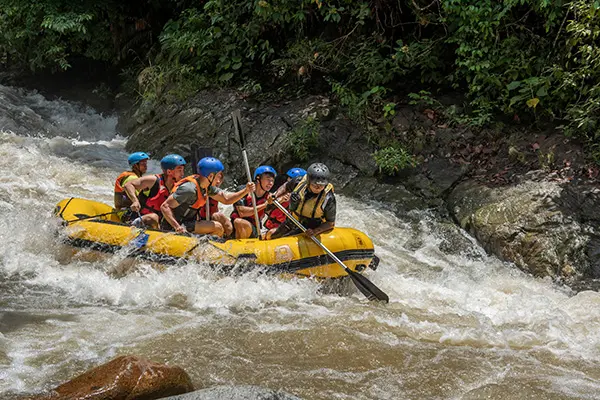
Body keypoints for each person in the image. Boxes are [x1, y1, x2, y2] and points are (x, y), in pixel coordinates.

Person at [160, 157, 255, 237]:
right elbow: (165, 206)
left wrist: (245, 190)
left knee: (219, 226)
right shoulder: (189, 189)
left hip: (188, 223)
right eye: (218, 176)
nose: (219, 181)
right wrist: (177, 227)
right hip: (174, 226)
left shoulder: (206, 187)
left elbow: (226, 199)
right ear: (210, 176)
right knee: (217, 227)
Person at [267, 163, 336, 240]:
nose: (318, 187)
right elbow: (285, 186)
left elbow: (330, 223)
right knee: (274, 237)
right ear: (309, 181)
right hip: (292, 220)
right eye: (315, 184)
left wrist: (315, 231)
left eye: (321, 185)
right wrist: (275, 195)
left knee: (284, 240)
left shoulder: (328, 198)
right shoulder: (298, 181)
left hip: (311, 226)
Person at [123, 154, 187, 228]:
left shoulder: (179, 187)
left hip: (158, 225)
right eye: (179, 170)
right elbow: (128, 185)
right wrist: (135, 201)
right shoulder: (153, 180)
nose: (182, 174)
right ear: (169, 172)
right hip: (138, 219)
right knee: (153, 217)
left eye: (183, 170)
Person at [230, 165, 277, 239]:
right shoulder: (243, 190)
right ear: (258, 179)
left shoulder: (269, 197)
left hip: (253, 229)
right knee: (221, 218)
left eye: (272, 181)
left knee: (239, 222)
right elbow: (242, 212)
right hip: (235, 226)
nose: (271, 183)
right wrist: (265, 205)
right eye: (268, 179)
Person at [264, 167, 307, 232]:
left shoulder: (303, 198)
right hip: (270, 226)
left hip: (286, 229)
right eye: (289, 178)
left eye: (292, 179)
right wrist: (281, 201)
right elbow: (267, 210)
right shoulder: (278, 193)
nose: (289, 181)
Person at [197, 171, 234, 237]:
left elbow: (227, 199)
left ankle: (228, 239)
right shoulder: (201, 189)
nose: (218, 181)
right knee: (217, 216)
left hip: (211, 218)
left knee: (228, 225)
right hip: (199, 220)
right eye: (217, 178)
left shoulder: (217, 192)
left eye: (220, 179)